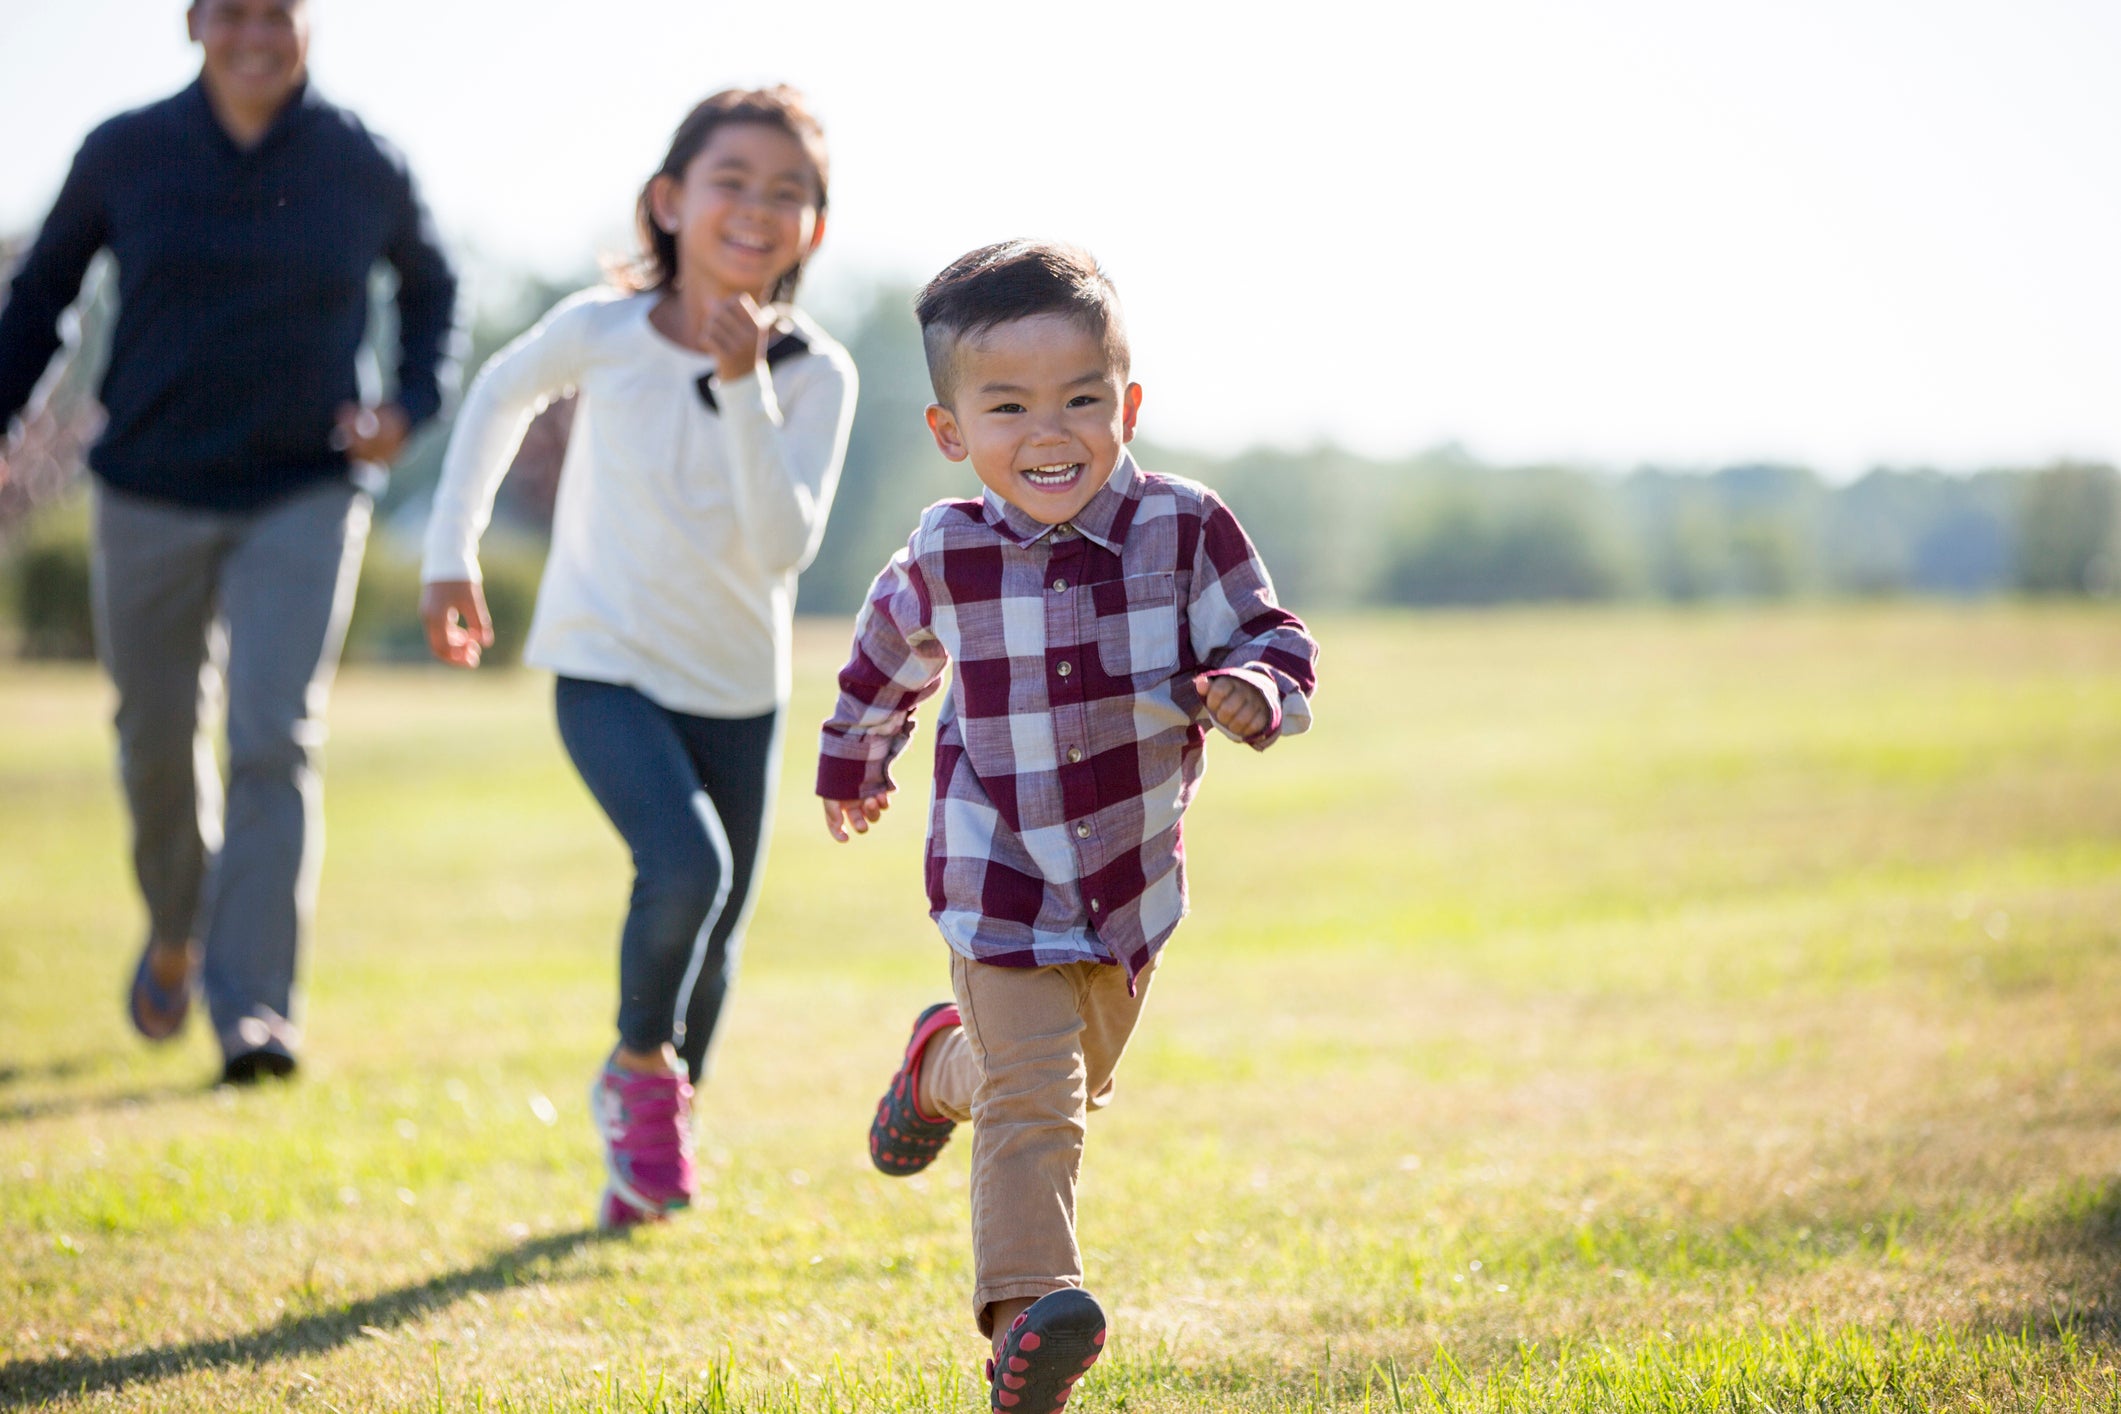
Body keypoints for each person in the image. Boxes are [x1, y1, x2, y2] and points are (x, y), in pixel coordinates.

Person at [817, 241, 1320, 1411]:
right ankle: (1027, 1317)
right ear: (953, 432)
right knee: (1040, 1102)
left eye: (1082, 400)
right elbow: (883, 663)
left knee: (1051, 1085)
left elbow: (1271, 634)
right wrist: (855, 760)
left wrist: (1255, 688)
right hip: (999, 880)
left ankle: (934, 1068)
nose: (1052, 432)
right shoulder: (947, 550)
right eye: (1009, 406)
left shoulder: (1186, 529)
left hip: (1129, 892)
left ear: (1128, 403)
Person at [419, 87, 855, 1231]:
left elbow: (783, 544)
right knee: (685, 869)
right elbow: (498, 398)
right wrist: (449, 552)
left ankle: (649, 1151)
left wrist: (743, 383)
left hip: (739, 689)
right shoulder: (598, 332)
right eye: (731, 181)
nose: (757, 207)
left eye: (788, 191)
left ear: (813, 226)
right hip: (603, 661)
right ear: (670, 201)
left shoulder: (815, 373)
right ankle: (635, 1074)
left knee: (715, 942)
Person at [0, 0, 459, 1085]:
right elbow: (41, 297)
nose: (257, 35)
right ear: (195, 22)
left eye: (280, 14)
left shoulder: (361, 160)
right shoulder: (126, 150)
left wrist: (408, 402)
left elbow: (435, 291)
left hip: (303, 489)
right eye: (235, 12)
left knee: (271, 738)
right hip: (147, 488)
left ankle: (253, 1010)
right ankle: (175, 928)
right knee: (153, 737)